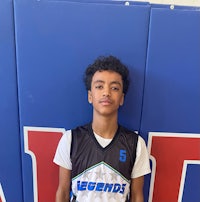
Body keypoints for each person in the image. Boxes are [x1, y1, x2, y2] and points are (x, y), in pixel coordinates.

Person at [53, 55, 151, 202]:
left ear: (122, 98)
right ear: (90, 96)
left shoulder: (136, 144)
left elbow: (137, 196)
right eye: (99, 86)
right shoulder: (71, 139)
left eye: (114, 88)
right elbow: (62, 192)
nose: (106, 93)